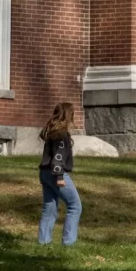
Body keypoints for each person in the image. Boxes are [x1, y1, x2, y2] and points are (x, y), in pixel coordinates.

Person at [38, 102, 82, 246]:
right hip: (56, 173)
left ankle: (43, 243)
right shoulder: (61, 134)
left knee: (49, 208)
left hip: (44, 173)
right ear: (69, 115)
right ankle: (68, 243)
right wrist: (60, 177)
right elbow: (58, 157)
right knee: (75, 206)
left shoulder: (52, 131)